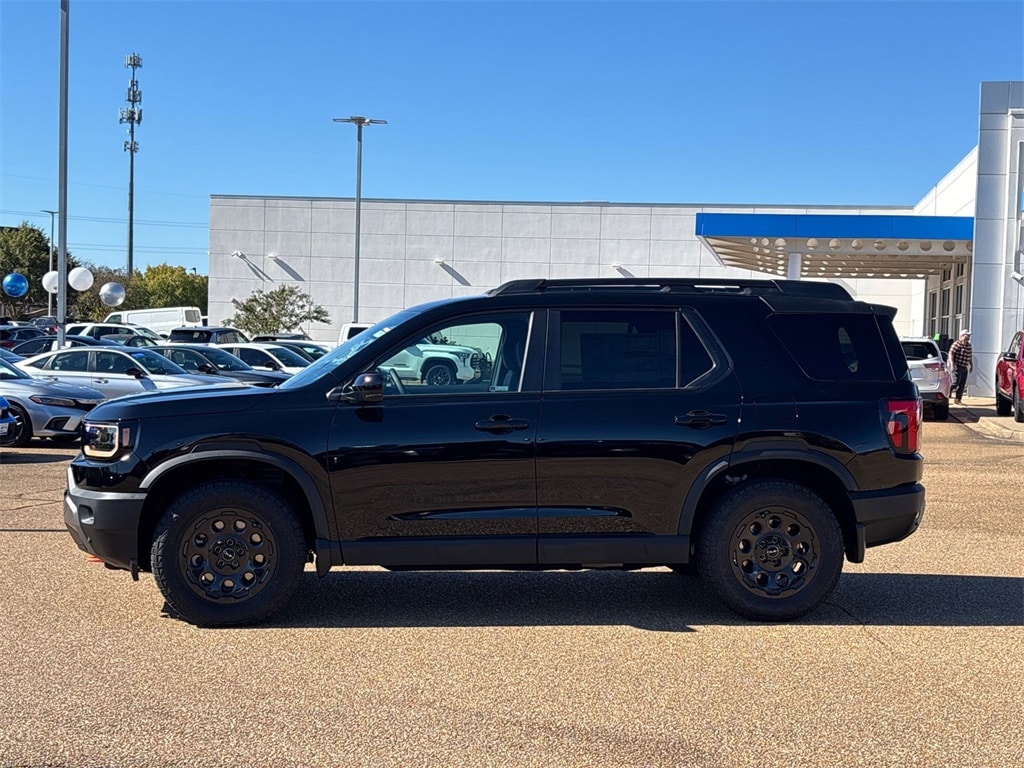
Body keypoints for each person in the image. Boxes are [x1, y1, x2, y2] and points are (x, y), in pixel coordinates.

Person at [948, 329, 973, 404]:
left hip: (964, 367)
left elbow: (970, 356)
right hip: (957, 366)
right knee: (955, 383)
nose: (968, 337)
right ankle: (948, 392)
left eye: (969, 336)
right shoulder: (956, 344)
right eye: (967, 335)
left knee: (962, 384)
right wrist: (952, 364)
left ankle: (958, 399)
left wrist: (971, 365)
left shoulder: (969, 345)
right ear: (962, 336)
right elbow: (951, 354)